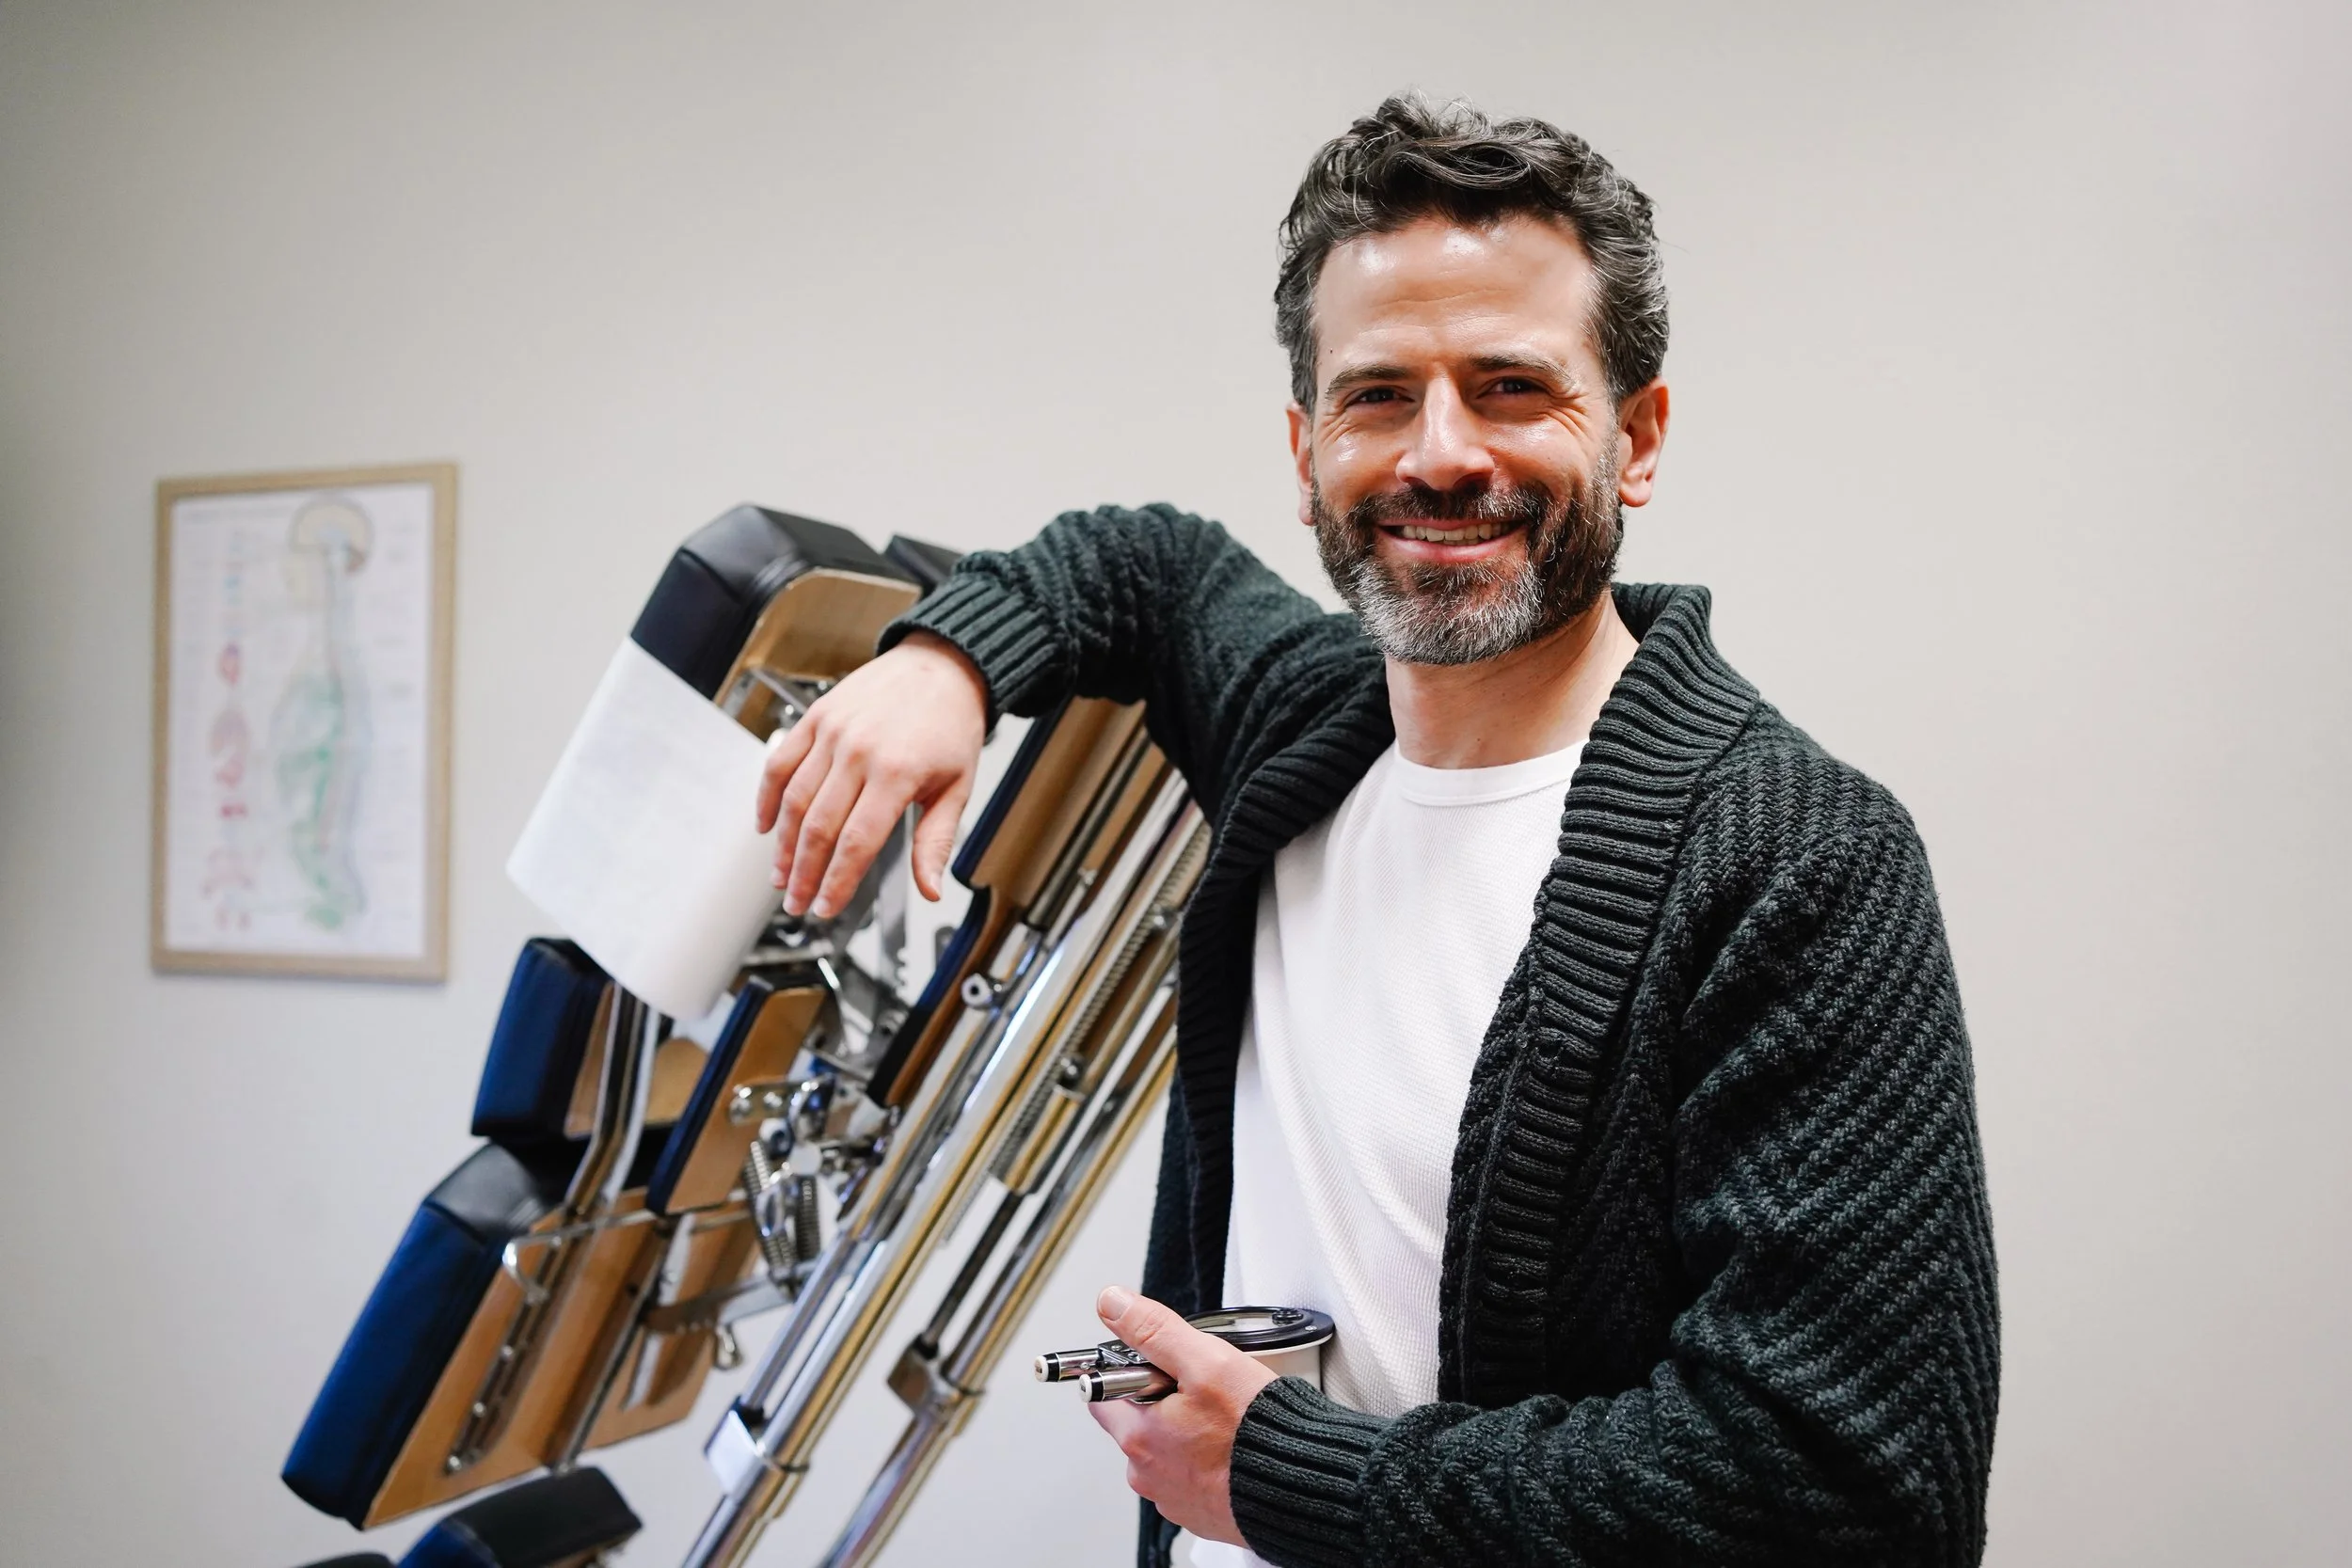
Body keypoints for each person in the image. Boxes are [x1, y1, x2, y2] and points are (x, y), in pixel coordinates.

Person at [754, 95, 1996, 1568]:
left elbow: (1847, 1487)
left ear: (1638, 435)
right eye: (1379, 395)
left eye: (1513, 386)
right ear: (1305, 450)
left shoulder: (1798, 860)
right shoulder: (1309, 724)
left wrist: (1289, 1475)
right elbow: (1143, 566)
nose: (1442, 454)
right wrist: (944, 663)